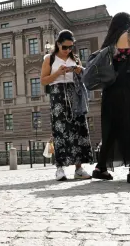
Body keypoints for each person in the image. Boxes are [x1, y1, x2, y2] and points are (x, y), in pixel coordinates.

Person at [92, 12, 130, 183]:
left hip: (110, 90)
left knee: (113, 130)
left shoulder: (109, 42)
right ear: (129, 24)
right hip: (127, 88)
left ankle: (100, 167)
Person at [41, 29, 93, 181]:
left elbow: (84, 78)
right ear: (58, 44)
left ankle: (78, 168)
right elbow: (43, 80)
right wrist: (57, 73)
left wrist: (79, 70)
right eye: (65, 47)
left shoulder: (75, 58)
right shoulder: (49, 59)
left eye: (71, 47)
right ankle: (60, 168)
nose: (68, 50)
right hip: (58, 96)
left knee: (79, 129)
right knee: (60, 131)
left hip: (75, 94)